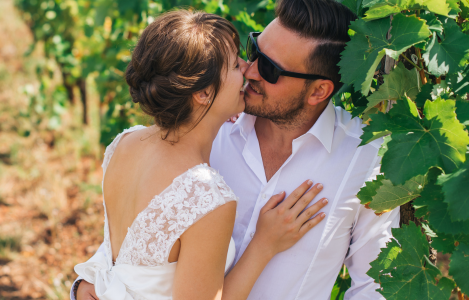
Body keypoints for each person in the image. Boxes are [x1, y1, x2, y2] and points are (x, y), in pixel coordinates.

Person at [73, 0, 400, 299]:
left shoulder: (366, 157)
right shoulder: (207, 127)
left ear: (319, 91)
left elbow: (375, 284)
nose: (251, 70)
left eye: (271, 69)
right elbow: (138, 235)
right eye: (253, 50)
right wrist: (92, 281)